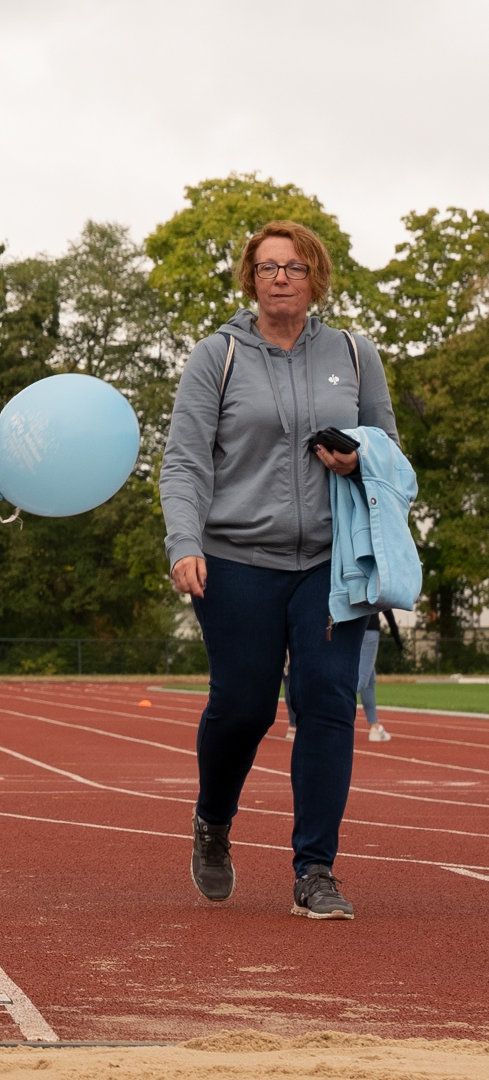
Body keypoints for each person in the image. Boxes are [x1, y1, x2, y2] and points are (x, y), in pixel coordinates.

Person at [159, 220, 398, 920]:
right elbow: (185, 462)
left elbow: (388, 448)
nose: (280, 277)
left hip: (332, 560)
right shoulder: (218, 355)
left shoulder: (353, 354)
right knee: (243, 706)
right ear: (250, 279)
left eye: (293, 266)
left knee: (326, 702)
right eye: (267, 267)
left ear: (314, 276)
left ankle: (315, 870)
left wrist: (359, 458)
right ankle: (213, 821)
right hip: (237, 557)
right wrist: (184, 542)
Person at [356, 612, 400, 743]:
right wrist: (396, 635)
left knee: (369, 679)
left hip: (353, 628)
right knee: (362, 679)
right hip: (369, 629)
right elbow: (387, 607)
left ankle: (374, 725)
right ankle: (328, 709)